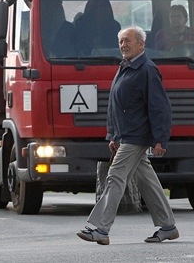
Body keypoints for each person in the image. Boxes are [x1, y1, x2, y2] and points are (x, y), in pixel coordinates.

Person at [76, 26, 179, 245]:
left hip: (137, 136)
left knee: (115, 177)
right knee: (147, 180)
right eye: (121, 41)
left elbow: (160, 107)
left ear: (141, 44)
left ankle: (100, 229)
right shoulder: (125, 68)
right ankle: (168, 226)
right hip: (127, 135)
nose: (124, 45)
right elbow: (116, 105)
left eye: (128, 41)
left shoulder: (147, 70)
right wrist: (113, 135)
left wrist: (161, 138)